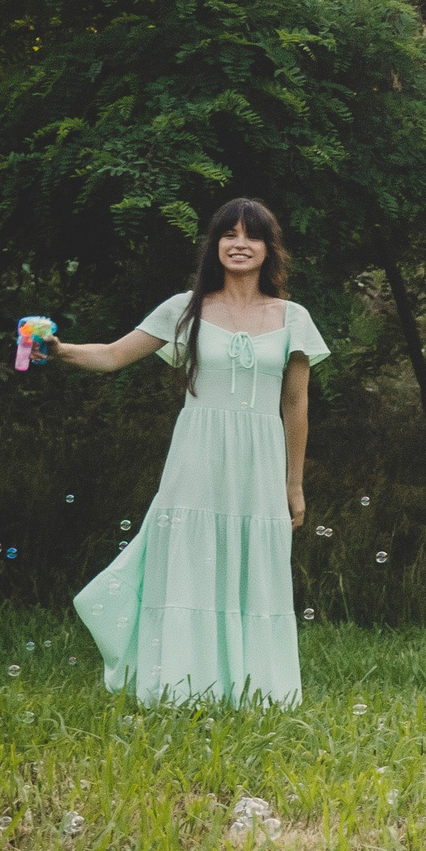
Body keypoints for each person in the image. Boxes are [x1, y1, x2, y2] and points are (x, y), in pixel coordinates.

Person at [47, 198, 330, 705]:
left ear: (269, 249)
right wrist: (61, 350)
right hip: (197, 457)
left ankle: (257, 691)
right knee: (189, 564)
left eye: (252, 236)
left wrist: (294, 483)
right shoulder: (185, 309)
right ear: (214, 245)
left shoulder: (293, 317)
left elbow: (295, 404)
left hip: (260, 462)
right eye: (229, 234)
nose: (239, 244)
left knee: (254, 569)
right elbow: (112, 355)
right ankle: (181, 686)